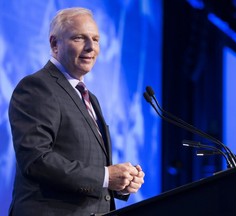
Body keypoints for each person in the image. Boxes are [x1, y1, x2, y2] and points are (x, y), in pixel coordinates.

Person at [8, 7, 145, 216]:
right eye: (80, 38)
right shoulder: (37, 87)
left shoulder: (90, 98)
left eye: (96, 39)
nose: (91, 47)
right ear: (55, 44)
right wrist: (106, 176)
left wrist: (121, 181)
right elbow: (36, 160)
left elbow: (89, 165)